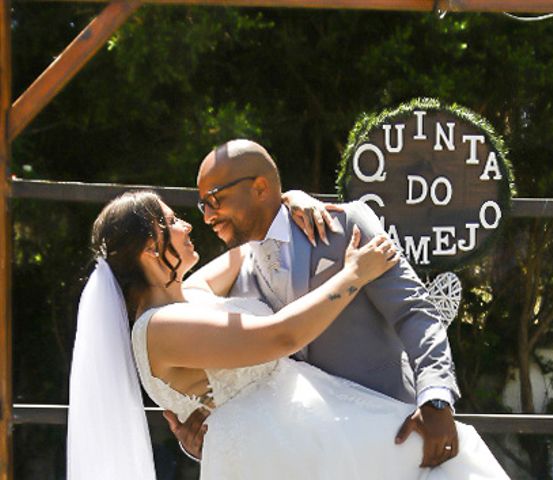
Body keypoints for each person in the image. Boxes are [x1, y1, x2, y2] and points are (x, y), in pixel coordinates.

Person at [166, 139, 505, 474]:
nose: (208, 216)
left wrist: (435, 395)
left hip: (390, 440)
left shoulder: (345, 226)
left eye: (215, 199)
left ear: (259, 187)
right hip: (308, 458)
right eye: (202, 205)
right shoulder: (234, 276)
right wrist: (212, 436)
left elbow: (413, 312)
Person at [67, 189, 398, 479]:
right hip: (276, 458)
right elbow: (280, 337)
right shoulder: (157, 330)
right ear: (151, 248)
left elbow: (250, 246)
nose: (187, 226)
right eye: (172, 221)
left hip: (308, 429)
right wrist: (354, 274)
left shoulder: (192, 292)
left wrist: (290, 200)